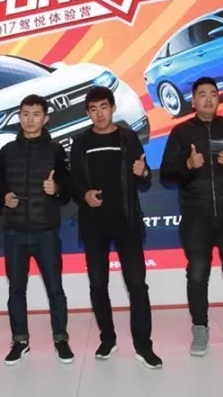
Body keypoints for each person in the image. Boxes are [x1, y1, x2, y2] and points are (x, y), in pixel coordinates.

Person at [160, 77, 223, 359]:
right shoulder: (181, 132)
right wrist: (187, 165)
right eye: (202, 94)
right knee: (197, 272)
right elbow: (166, 173)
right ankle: (200, 328)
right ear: (193, 101)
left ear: (219, 98)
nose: (208, 99)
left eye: (213, 94)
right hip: (196, 215)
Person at [69, 86, 162, 369]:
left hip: (126, 222)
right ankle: (107, 339)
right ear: (87, 113)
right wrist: (84, 194)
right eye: (93, 109)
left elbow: (144, 179)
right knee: (98, 284)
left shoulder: (128, 138)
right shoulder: (80, 142)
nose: (99, 114)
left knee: (137, 284)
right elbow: (74, 182)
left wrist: (142, 173)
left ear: (113, 108)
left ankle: (143, 346)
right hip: (93, 224)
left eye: (104, 107)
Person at [0, 94, 74, 366]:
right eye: (25, 114)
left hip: (46, 231)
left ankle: (60, 339)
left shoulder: (56, 151)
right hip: (14, 232)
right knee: (16, 290)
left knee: (55, 289)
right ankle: (20, 341)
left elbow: (67, 191)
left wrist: (56, 189)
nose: (30, 119)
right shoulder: (7, 151)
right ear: (19, 116)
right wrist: (4, 198)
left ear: (45, 118)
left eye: (36, 114)